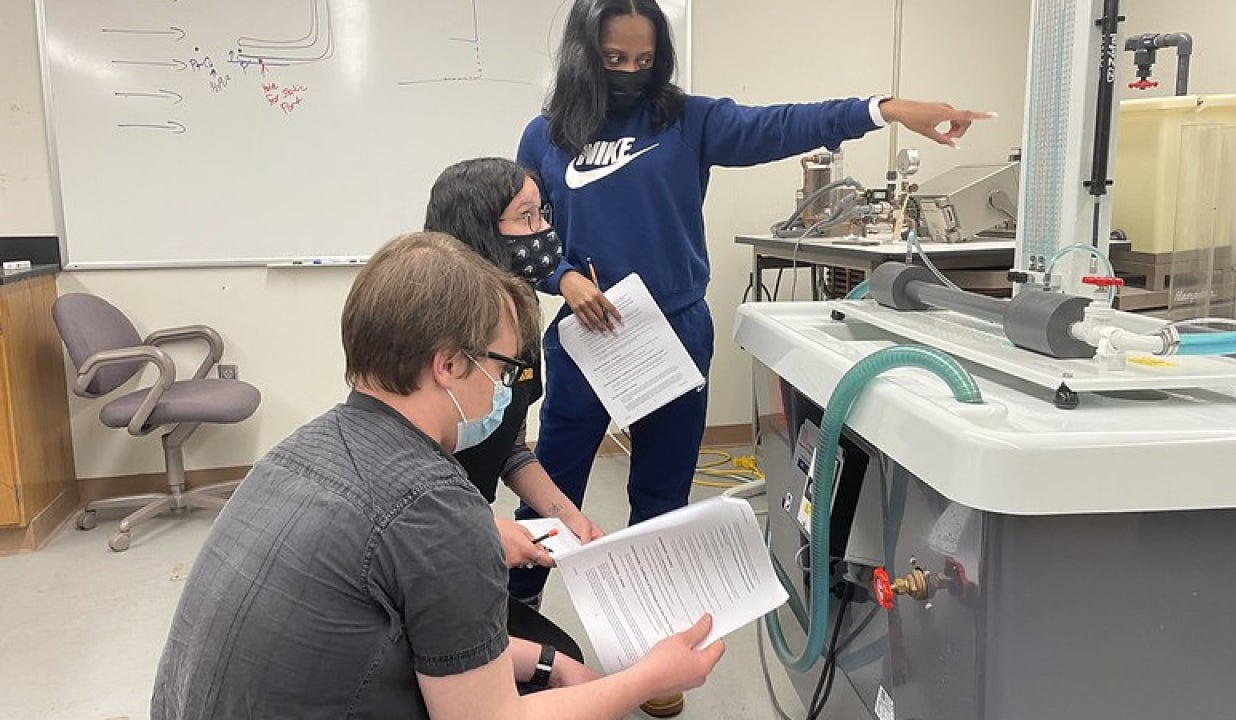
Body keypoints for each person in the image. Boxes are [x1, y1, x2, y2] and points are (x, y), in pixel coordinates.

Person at [510, 0, 992, 612]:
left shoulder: (686, 121)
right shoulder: (547, 134)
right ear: (585, 54)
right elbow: (521, 234)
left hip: (673, 333)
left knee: (661, 495)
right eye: (613, 59)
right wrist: (562, 278)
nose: (630, 70)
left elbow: (785, 123)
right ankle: (514, 615)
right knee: (552, 484)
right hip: (587, 335)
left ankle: (654, 626)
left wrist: (887, 109)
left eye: (644, 58)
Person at [151, 232, 724, 719]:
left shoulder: (302, 447)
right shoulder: (437, 507)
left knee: (552, 653)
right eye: (501, 369)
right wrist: (647, 678)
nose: (504, 391)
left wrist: (548, 663)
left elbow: (415, 632)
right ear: (449, 365)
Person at [423, 156, 605, 666]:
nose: (546, 231)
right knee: (550, 666)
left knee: (558, 658)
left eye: (544, 214)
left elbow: (511, 449)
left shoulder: (519, 321)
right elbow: (407, 484)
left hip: (467, 538)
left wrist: (566, 515)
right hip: (427, 543)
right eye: (528, 218)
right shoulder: (429, 334)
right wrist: (475, 533)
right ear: (479, 233)